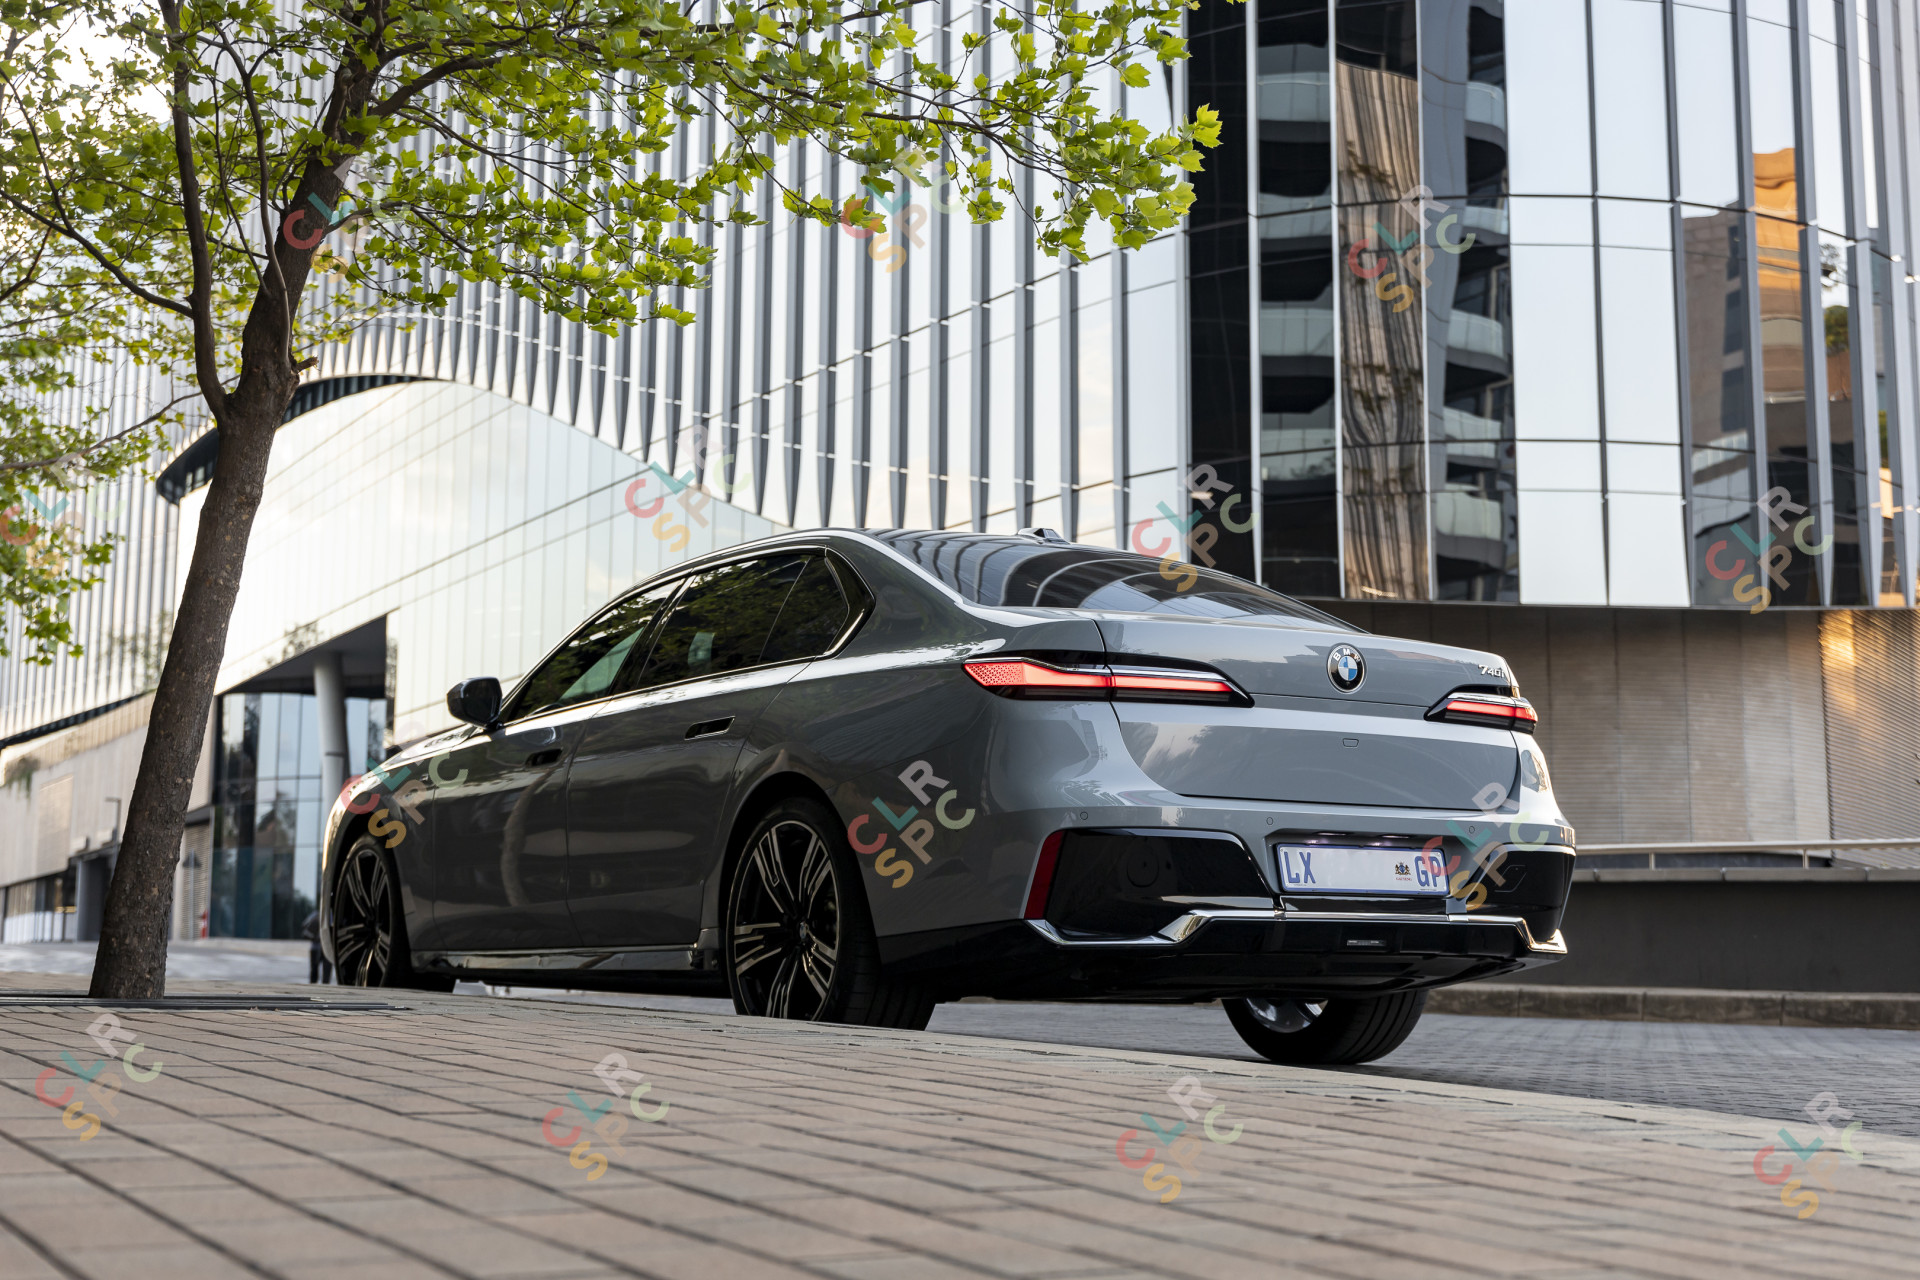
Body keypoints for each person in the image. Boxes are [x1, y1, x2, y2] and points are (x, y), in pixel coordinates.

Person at [302, 910, 332, 984]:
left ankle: (314, 985)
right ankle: (324, 986)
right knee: (326, 972)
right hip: (326, 947)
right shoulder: (331, 915)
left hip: (316, 946)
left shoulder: (315, 914)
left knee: (314, 971)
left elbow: (304, 924)